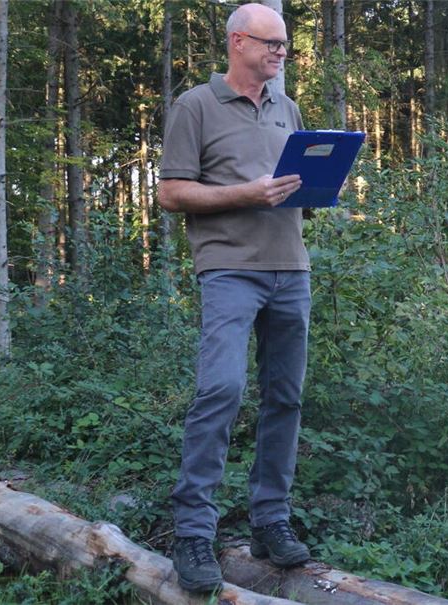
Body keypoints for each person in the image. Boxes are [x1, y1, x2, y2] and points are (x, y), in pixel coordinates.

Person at [158, 3, 312, 593]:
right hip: (228, 270)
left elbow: (291, 184)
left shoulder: (287, 107)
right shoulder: (196, 105)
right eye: (273, 44)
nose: (281, 53)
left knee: (286, 397)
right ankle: (194, 530)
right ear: (238, 42)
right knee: (221, 388)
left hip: (291, 268)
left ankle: (271, 519)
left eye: (286, 46)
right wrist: (245, 193)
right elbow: (172, 193)